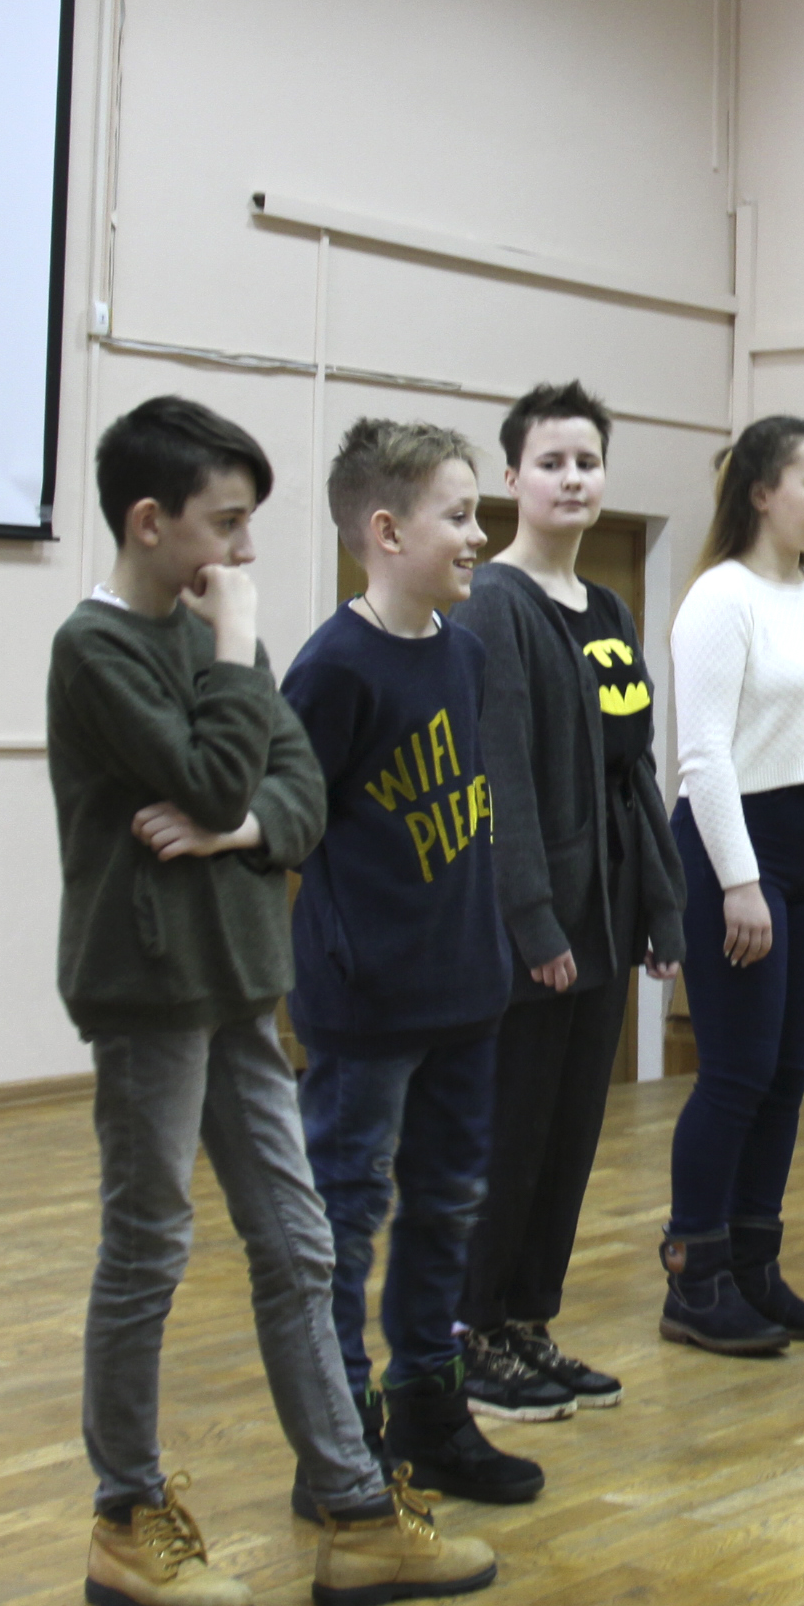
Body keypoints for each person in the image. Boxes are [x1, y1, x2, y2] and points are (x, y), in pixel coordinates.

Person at [46, 396, 495, 1606]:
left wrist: (239, 824)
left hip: (243, 984)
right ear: (151, 523)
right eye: (226, 525)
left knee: (298, 1245)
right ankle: (126, 1515)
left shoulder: (211, 644)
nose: (244, 553)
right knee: (148, 1246)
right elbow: (207, 769)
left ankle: (354, 1513)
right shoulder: (97, 649)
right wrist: (237, 670)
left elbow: (293, 793)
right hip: (149, 993)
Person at [284, 418, 535, 1504]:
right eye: (461, 515)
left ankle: (430, 1407)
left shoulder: (465, 655)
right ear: (386, 532)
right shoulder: (331, 670)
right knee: (344, 1219)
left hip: (465, 998)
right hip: (366, 1011)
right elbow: (290, 830)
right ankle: (340, 1440)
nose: (480, 535)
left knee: (447, 1210)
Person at [455, 382, 686, 1419]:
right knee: (511, 1137)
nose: (572, 479)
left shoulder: (610, 612)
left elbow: (636, 772)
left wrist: (662, 908)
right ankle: (472, 1337)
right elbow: (499, 774)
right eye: (550, 462)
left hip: (606, 917)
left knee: (569, 1139)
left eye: (586, 461)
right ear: (512, 478)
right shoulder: (492, 605)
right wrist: (533, 921)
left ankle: (527, 1325)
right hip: (535, 931)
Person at [662, 416, 804, 1355]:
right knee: (737, 1073)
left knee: (791, 1073)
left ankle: (755, 1265)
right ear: (762, 493)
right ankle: (695, 1274)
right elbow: (704, 757)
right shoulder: (720, 598)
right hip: (737, 848)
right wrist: (740, 882)